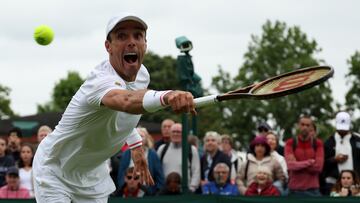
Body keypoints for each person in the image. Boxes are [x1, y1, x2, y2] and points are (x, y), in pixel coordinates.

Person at [33, 12, 196, 203]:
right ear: (108, 47)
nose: (131, 42)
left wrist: (136, 147)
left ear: (145, 44)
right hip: (54, 169)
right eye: (121, 36)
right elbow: (126, 102)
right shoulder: (100, 81)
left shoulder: (142, 75)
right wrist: (166, 96)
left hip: (92, 175)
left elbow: (121, 117)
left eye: (138, 35)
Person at [117, 127, 164, 195]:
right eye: (137, 136)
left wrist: (155, 191)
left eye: (141, 136)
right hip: (128, 191)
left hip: (147, 192)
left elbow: (159, 175)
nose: (139, 139)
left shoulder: (153, 154)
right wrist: (122, 189)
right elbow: (121, 173)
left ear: (146, 138)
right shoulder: (126, 153)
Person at [284, 115, 324, 196]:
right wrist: (310, 162)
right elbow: (291, 166)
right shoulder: (290, 143)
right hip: (294, 190)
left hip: (313, 190)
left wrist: (298, 164)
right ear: (298, 126)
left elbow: (318, 167)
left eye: (308, 125)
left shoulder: (318, 143)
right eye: (302, 124)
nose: (305, 127)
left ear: (311, 127)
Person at [322, 111, 360, 195]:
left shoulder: (357, 141)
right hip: (333, 186)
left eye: (345, 128)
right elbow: (322, 164)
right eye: (340, 128)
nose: (342, 130)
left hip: (355, 186)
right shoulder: (329, 142)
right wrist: (334, 160)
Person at [157, 123, 201, 192]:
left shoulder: (192, 150)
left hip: (185, 192)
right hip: (165, 192)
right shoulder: (162, 149)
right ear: (170, 134)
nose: (176, 134)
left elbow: (196, 171)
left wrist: (192, 188)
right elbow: (157, 171)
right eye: (173, 132)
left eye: (178, 132)